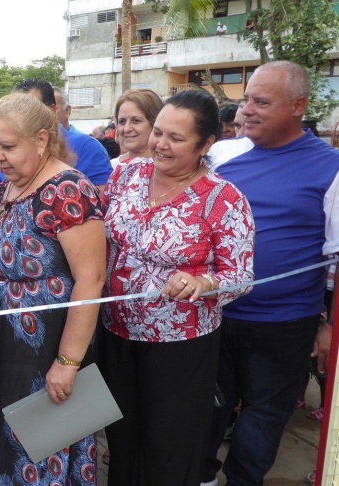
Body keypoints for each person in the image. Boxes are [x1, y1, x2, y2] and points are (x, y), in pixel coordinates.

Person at [101, 90, 255, 486]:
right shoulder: (126, 175)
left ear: (206, 144)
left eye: (176, 138)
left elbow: (241, 274)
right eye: (158, 132)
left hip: (179, 345)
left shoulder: (223, 199)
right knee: (121, 433)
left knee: (167, 441)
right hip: (116, 332)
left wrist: (204, 281)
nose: (160, 144)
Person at [201, 60, 339, 486]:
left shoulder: (331, 167)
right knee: (207, 408)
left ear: (298, 106)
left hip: (284, 324)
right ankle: (201, 476)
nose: (247, 111)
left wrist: (331, 325)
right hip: (214, 314)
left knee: (263, 415)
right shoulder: (223, 155)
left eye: (262, 101)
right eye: (245, 100)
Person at [0, 92, 106, 484]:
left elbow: (91, 280)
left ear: (41, 140)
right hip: (2, 349)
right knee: (6, 443)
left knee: (44, 449)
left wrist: (68, 362)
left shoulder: (68, 190)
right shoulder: (4, 190)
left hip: (48, 355)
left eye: (8, 146)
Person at [16, 79, 113, 191]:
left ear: (51, 110)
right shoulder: (6, 152)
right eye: (17, 110)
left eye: (31, 110)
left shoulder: (87, 147)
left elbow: (100, 199)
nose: (22, 117)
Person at [113, 88, 163, 168]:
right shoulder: (110, 168)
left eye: (136, 121)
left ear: (154, 123)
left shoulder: (166, 169)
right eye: (122, 121)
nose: (126, 129)